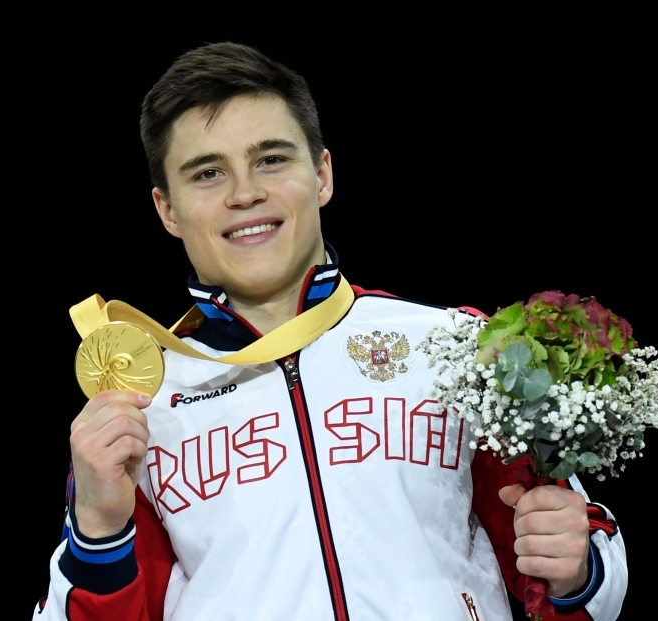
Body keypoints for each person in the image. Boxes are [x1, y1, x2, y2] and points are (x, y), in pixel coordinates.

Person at [33, 42, 627, 621]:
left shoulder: (457, 346)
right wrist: (98, 530)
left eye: (272, 159)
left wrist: (576, 571)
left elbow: (578, 568)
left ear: (322, 174)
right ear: (167, 210)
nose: (246, 193)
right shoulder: (139, 406)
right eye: (208, 173)